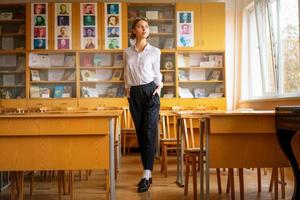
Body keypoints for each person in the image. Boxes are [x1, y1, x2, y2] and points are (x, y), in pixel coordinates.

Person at [124, 17, 162, 193]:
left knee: (149, 132)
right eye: (140, 26)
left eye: (146, 26)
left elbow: (157, 73)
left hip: (150, 92)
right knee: (141, 134)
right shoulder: (127, 52)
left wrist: (159, 87)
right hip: (135, 95)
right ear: (134, 31)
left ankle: (146, 175)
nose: (144, 29)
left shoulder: (155, 51)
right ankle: (148, 171)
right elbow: (126, 72)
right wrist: (127, 90)